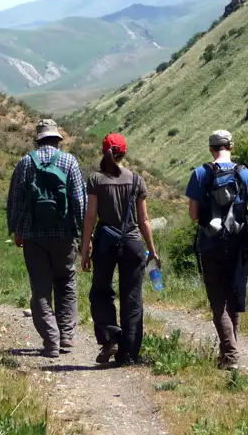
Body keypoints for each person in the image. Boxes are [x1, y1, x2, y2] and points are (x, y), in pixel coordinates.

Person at [7, 118, 87, 358]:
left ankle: (50, 340)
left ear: (38, 139)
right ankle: (66, 337)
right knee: (66, 282)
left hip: (33, 236)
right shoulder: (69, 161)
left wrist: (16, 230)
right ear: (58, 140)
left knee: (40, 289)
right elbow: (79, 201)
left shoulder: (24, 163)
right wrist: (85, 235)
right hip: (64, 235)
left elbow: (15, 201)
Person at [185, 130, 248, 370]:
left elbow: (193, 215)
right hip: (238, 247)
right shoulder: (244, 174)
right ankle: (230, 352)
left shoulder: (200, 174)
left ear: (211, 149)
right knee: (233, 297)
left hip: (210, 246)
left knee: (218, 301)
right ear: (231, 146)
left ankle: (229, 354)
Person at [81, 133, 161, 365]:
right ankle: (129, 354)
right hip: (133, 243)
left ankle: (110, 339)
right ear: (124, 153)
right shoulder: (136, 180)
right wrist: (152, 250)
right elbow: (144, 220)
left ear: (103, 152)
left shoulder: (96, 179)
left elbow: (91, 216)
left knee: (101, 292)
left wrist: (86, 248)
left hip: (106, 241)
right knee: (132, 298)